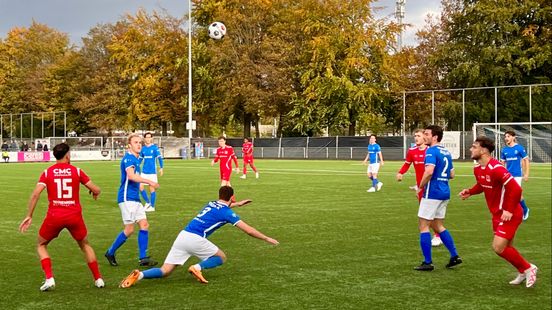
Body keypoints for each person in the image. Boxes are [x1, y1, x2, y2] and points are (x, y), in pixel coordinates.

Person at [119, 186, 279, 288]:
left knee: (165, 271)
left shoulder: (211, 203)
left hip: (182, 236)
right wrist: (266, 238)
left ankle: (139, 275)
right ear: (232, 197)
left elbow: (223, 205)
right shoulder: (227, 212)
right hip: (195, 239)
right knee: (221, 257)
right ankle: (197, 267)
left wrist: (237, 204)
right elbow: (249, 230)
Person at [18, 143, 104, 291]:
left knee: (41, 245)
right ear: (68, 155)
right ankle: (98, 279)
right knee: (85, 245)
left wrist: (29, 215)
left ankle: (49, 278)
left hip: (54, 216)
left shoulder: (47, 172)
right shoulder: (76, 171)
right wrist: (95, 192)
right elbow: (96, 189)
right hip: (74, 216)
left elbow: (35, 194)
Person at [459, 136, 538, 287]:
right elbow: (482, 185)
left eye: (474, 147)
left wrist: (508, 210)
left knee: (498, 247)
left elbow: (516, 188)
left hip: (511, 213)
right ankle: (522, 271)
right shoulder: (477, 168)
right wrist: (470, 191)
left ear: (483, 150)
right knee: (507, 247)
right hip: (497, 213)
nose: (471, 149)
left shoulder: (497, 168)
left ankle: (529, 268)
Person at [105, 133, 160, 267]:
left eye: (140, 142)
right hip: (126, 198)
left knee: (144, 225)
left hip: (134, 198)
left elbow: (136, 179)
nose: (139, 144)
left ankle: (143, 258)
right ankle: (110, 252)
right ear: (129, 145)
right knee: (129, 229)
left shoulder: (136, 159)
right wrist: (149, 181)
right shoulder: (129, 159)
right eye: (135, 142)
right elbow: (131, 176)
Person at [414, 125, 462, 271]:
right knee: (438, 225)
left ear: (435, 137)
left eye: (427, 134)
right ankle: (454, 256)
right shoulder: (446, 152)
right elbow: (452, 174)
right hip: (444, 192)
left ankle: (427, 262)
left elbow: (429, 171)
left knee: (423, 226)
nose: (424, 136)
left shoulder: (431, 151)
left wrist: (420, 187)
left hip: (432, 193)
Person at [396, 129, 442, 247]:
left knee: (431, 214)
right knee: (426, 215)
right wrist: (400, 173)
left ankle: (437, 236)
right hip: (421, 188)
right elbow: (407, 164)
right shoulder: (412, 151)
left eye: (419, 136)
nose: (416, 138)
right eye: (415, 136)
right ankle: (437, 234)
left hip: (432, 187)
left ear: (424, 138)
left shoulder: (430, 151)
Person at [500, 131, 530, 220]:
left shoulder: (519, 148)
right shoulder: (504, 150)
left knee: (516, 194)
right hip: (507, 176)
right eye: (505, 136)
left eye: (508, 136)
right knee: (506, 194)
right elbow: (502, 163)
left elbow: (526, 160)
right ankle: (507, 211)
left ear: (513, 137)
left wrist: (526, 174)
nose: (506, 138)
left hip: (517, 175)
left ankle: (525, 209)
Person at [139, 132, 164, 212]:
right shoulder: (143, 149)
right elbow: (140, 159)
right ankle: (147, 202)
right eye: (147, 137)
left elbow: (159, 158)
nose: (148, 139)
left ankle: (152, 207)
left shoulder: (155, 148)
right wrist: (136, 166)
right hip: (144, 172)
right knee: (140, 187)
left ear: (151, 138)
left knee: (151, 189)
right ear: (144, 139)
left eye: (149, 137)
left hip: (152, 172)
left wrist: (161, 167)